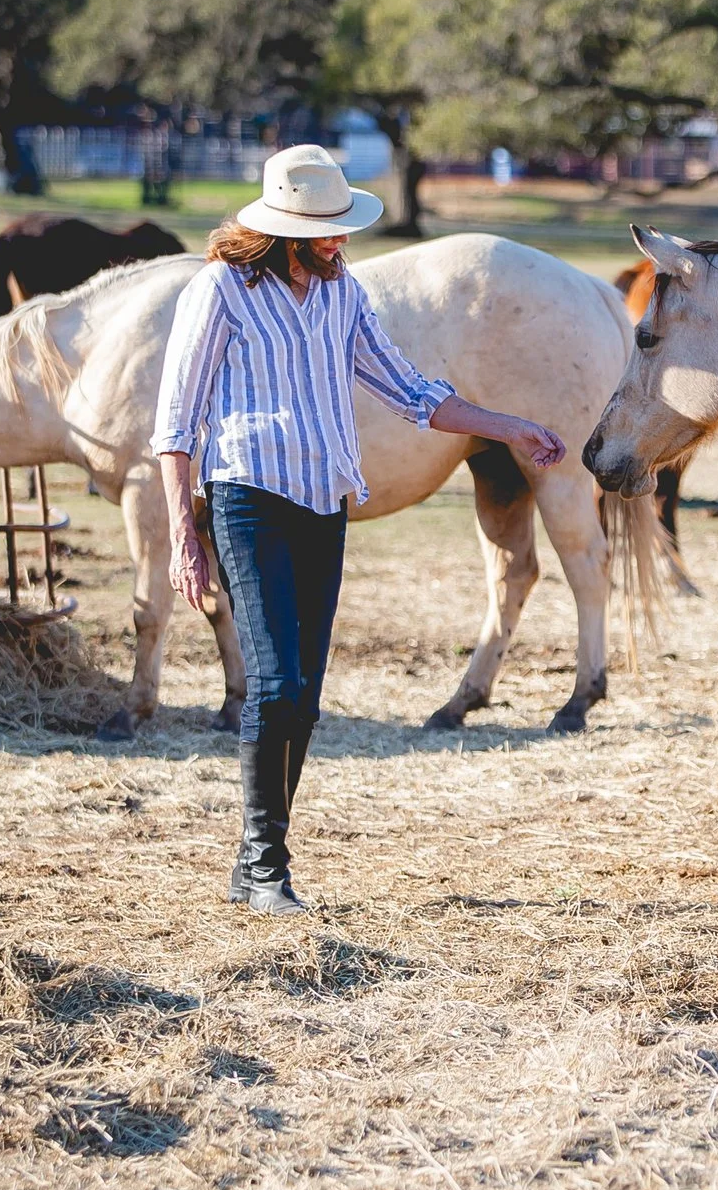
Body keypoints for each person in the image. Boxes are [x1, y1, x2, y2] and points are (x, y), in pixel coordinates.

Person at [153, 144, 566, 913]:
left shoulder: (343, 296)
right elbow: (175, 424)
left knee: (303, 696)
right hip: (247, 500)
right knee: (273, 684)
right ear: (284, 227)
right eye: (326, 229)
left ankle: (256, 862)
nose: (342, 240)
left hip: (323, 503)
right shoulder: (221, 292)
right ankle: (266, 867)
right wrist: (185, 532)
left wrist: (509, 425)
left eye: (343, 226)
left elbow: (414, 393)